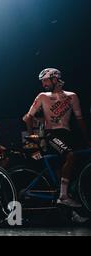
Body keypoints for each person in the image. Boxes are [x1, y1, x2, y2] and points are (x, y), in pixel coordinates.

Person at [23, 68, 89, 207]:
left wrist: (88, 140)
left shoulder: (72, 96)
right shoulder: (42, 96)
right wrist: (33, 138)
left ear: (55, 79)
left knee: (72, 170)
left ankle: (68, 206)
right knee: (70, 156)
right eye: (42, 82)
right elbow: (28, 117)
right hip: (51, 134)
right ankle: (63, 197)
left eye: (45, 81)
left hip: (68, 134)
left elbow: (80, 120)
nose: (43, 85)